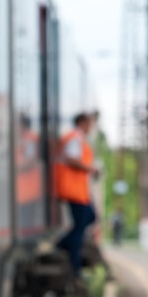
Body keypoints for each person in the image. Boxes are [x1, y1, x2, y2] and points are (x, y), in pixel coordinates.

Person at [55, 112, 99, 282]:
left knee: (88, 219)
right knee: (80, 228)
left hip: (78, 191)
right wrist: (90, 169)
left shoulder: (77, 138)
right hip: (73, 191)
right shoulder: (75, 138)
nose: (91, 128)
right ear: (81, 123)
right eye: (89, 124)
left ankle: (64, 245)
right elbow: (71, 158)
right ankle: (74, 265)